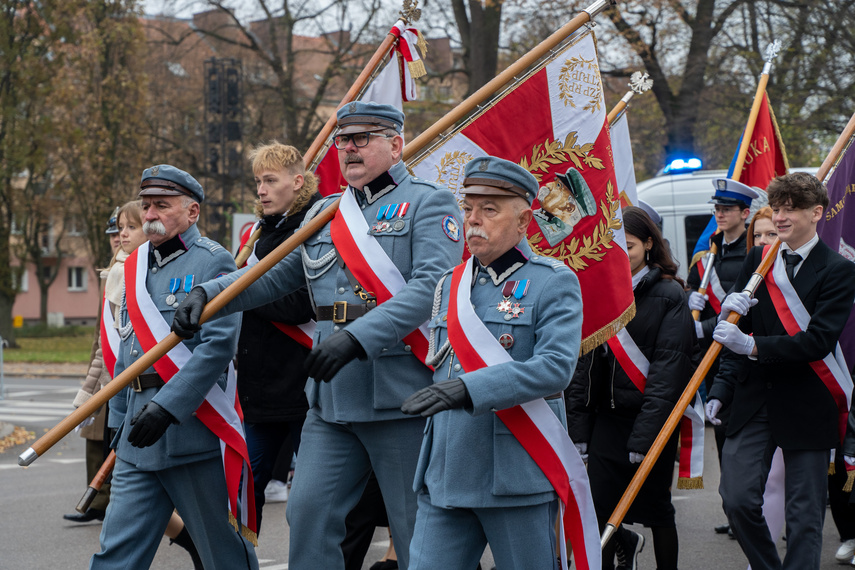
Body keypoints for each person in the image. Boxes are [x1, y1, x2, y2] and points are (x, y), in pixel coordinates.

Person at [172, 102, 464, 569]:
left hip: (400, 395)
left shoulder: (431, 202)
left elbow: (433, 288)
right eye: (342, 141)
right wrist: (209, 295)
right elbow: (270, 277)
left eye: (361, 139)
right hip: (331, 402)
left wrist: (357, 338)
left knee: (416, 532)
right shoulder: (329, 211)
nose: (348, 149)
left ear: (395, 144)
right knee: (307, 514)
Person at [399, 157, 582, 569]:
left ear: (524, 221)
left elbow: (555, 367)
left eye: (489, 209)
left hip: (514, 469)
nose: (473, 220)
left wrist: (469, 389)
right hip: (446, 470)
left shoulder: (553, 281)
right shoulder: (451, 282)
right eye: (468, 209)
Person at [91, 165, 258, 570]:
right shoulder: (134, 266)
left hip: (191, 433)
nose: (150, 214)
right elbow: (127, 351)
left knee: (224, 553)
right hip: (136, 435)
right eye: (146, 205)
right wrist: (116, 422)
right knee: (115, 552)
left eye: (162, 206)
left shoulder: (213, 262)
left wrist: (168, 407)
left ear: (192, 212)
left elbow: (217, 347)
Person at [706, 172, 855, 569]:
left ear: (817, 212)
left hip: (808, 400)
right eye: (778, 208)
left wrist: (753, 345)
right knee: (735, 499)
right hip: (754, 398)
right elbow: (737, 330)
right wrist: (720, 388)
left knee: (805, 515)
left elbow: (817, 341)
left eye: (792, 209)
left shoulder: (838, 270)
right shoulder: (759, 258)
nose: (782, 217)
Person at [566, 205, 695, 570]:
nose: (622, 251)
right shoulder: (595, 290)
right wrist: (579, 429)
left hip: (650, 423)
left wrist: (644, 437)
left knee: (657, 512)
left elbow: (669, 374)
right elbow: (581, 365)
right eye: (614, 243)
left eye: (631, 244)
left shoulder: (670, 295)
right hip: (606, 420)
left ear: (650, 244)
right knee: (600, 513)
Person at [236, 142, 319, 531]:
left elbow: (301, 305)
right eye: (258, 182)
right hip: (260, 390)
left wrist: (241, 296)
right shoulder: (258, 234)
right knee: (240, 492)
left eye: (270, 180)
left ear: (298, 181)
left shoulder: (315, 227)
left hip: (303, 386)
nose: (262, 190)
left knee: (309, 504)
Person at [686, 178, 758, 535]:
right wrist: (690, 304)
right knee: (722, 428)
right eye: (717, 209)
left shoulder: (752, 255)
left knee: (744, 430)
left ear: (746, 214)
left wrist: (705, 326)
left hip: (744, 351)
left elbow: (740, 308)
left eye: (727, 209)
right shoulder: (708, 253)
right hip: (712, 358)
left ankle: (755, 508)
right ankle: (733, 510)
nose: (720, 215)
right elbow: (691, 290)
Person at [63, 208, 122, 524]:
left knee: (115, 438)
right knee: (95, 435)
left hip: (120, 368)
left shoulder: (130, 269)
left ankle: (109, 500)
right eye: (112, 234)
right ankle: (96, 501)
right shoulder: (110, 270)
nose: (116, 239)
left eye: (121, 232)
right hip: (102, 362)